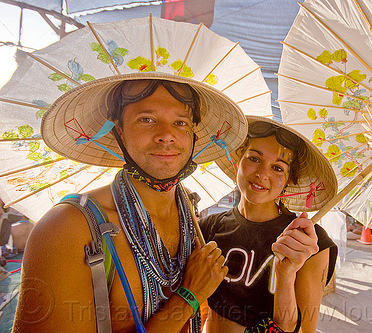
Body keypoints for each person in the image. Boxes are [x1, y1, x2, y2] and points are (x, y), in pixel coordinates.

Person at [13, 73, 247, 333]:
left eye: (180, 123)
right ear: (119, 133)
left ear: (193, 135)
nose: (167, 135)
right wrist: (188, 296)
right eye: (146, 119)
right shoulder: (68, 228)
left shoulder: (189, 210)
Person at [200, 116, 339, 333]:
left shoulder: (309, 242)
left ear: (289, 181)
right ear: (238, 160)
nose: (262, 174)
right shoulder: (208, 227)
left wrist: (285, 275)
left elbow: (303, 330)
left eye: (278, 168)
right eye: (254, 159)